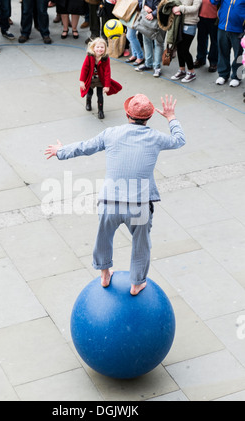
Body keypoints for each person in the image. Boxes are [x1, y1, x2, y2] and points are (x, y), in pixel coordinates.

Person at [45, 94, 186, 296]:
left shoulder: (111, 133)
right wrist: (171, 117)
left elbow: (85, 147)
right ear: (148, 118)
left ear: (127, 114)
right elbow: (179, 140)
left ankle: (104, 273)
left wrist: (61, 151)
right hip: (139, 205)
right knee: (141, 243)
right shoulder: (155, 137)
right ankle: (137, 283)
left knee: (103, 237)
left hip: (110, 202)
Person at [80, 37, 122, 119]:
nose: (100, 49)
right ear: (93, 48)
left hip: (100, 80)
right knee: (89, 93)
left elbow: (107, 72)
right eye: (97, 47)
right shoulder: (89, 56)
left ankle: (100, 111)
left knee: (100, 95)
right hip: (90, 80)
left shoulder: (105, 58)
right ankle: (88, 103)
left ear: (105, 48)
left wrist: (106, 85)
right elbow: (84, 69)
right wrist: (82, 81)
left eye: (102, 47)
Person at [210, 0, 245, 87]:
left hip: (239, 30)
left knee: (239, 55)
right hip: (222, 27)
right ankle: (223, 75)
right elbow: (213, 2)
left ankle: (237, 77)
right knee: (222, 52)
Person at [170, 0, 202, 83]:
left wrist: (179, 8)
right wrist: (174, 8)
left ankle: (191, 72)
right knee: (179, 48)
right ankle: (182, 70)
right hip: (179, 23)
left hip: (190, 24)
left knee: (184, 49)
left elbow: (195, 8)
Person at [135, 0, 165, 77]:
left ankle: (157, 67)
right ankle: (148, 64)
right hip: (146, 17)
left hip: (160, 18)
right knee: (146, 41)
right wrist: (144, 6)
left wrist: (154, 14)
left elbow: (166, 3)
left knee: (158, 43)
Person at [193, 0, 218, 72]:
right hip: (201, 17)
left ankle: (213, 62)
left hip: (214, 18)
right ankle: (200, 59)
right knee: (201, 39)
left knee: (214, 41)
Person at [125, 0, 145, 68]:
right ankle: (135, 54)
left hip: (136, 10)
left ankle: (140, 56)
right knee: (130, 35)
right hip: (130, 9)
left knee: (130, 35)